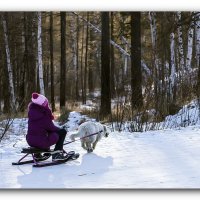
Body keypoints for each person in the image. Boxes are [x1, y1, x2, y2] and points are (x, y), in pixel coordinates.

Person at [26, 92, 67, 161]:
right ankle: (57, 153)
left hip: (30, 140)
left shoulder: (32, 113)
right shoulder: (43, 114)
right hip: (40, 142)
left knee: (41, 133)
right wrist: (60, 130)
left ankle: (37, 154)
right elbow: (51, 128)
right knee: (62, 132)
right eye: (46, 103)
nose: (47, 105)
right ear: (42, 104)